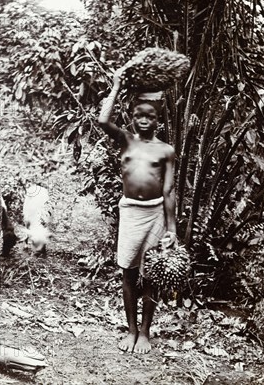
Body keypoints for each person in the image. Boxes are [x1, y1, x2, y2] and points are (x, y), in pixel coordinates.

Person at [98, 71, 177, 354]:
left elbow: (168, 191)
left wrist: (172, 230)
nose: (144, 120)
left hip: (155, 213)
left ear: (159, 121)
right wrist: (118, 85)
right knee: (128, 272)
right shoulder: (126, 141)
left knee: (152, 275)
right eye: (139, 115)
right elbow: (103, 120)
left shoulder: (165, 150)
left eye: (150, 116)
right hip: (131, 212)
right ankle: (130, 330)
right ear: (131, 116)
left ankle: (145, 332)